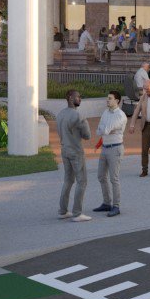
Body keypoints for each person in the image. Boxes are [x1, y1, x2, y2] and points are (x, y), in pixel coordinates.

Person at [57, 88, 92, 221]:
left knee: (68, 180)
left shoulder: (60, 114)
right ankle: (77, 213)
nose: (80, 99)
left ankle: (62, 211)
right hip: (76, 151)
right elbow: (87, 135)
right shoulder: (78, 116)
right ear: (70, 98)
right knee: (82, 181)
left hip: (64, 149)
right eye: (78, 97)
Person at [94, 90, 126, 216]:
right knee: (101, 176)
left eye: (110, 98)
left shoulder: (120, 115)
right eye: (107, 98)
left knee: (114, 178)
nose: (107, 100)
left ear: (117, 101)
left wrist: (105, 129)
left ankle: (116, 206)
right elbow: (99, 131)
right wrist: (105, 129)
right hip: (105, 147)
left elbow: (105, 130)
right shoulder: (105, 113)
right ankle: (107, 203)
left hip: (115, 149)